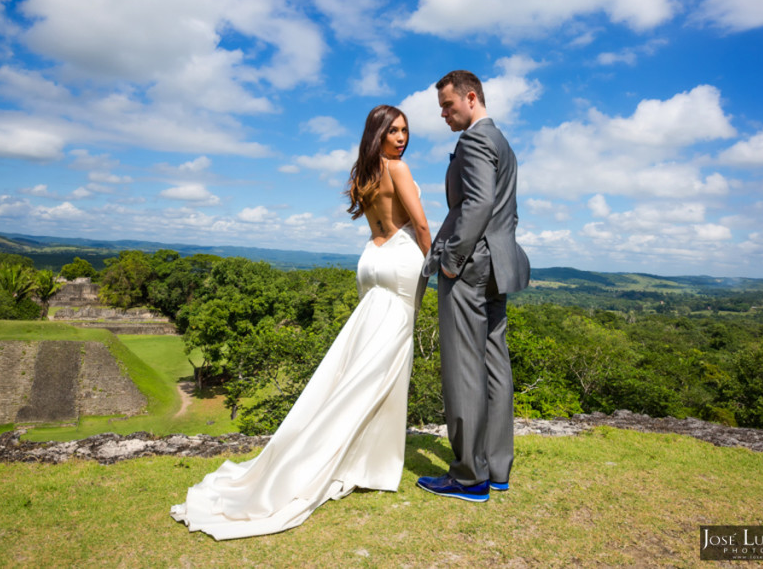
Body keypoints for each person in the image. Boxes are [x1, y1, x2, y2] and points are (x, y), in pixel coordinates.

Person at [170, 104, 429, 540]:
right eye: (394, 131)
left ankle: (360, 458)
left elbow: (375, 224)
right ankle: (366, 462)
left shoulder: (361, 175)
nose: (401, 138)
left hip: (371, 260)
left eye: (405, 131)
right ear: (379, 133)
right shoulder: (397, 169)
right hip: (401, 260)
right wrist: (435, 264)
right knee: (381, 369)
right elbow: (421, 224)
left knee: (361, 363)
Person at [418, 70, 530, 503]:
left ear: (470, 97)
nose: (444, 115)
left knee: (465, 368)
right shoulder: (503, 143)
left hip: (469, 268)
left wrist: (452, 260)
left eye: (447, 105)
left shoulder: (475, 140)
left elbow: (479, 202)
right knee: (494, 364)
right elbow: (508, 212)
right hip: (498, 266)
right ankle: (496, 468)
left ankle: (468, 476)